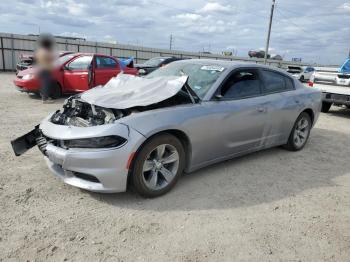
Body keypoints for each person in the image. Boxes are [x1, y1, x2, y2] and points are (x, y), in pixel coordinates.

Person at [35, 34, 55, 103]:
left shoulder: (40, 51)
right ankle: (45, 99)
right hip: (46, 69)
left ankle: (44, 97)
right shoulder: (46, 52)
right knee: (46, 85)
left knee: (43, 84)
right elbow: (51, 59)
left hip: (41, 69)